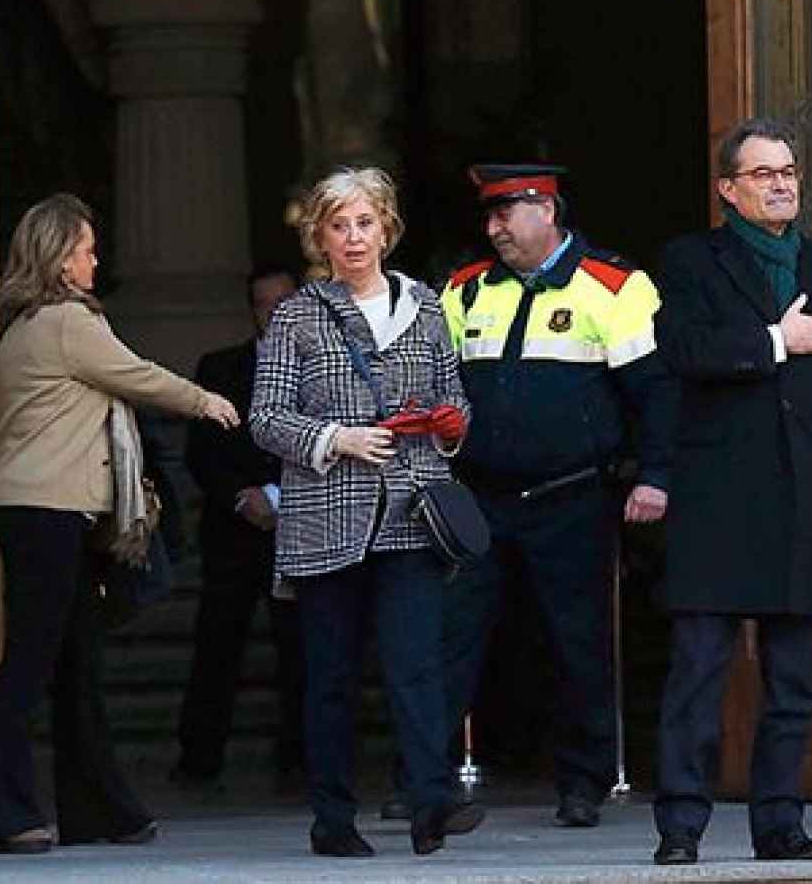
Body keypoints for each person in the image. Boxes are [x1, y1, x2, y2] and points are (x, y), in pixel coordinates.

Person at [0, 193, 240, 854]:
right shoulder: (66, 320)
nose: (94, 260)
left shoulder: (24, 321)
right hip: (45, 510)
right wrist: (208, 402)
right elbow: (136, 375)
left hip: (40, 508)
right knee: (32, 663)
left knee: (75, 662)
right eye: (85, 248)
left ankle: (99, 809)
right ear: (59, 258)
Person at [650, 118, 812, 866]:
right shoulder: (688, 262)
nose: (782, 183)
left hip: (804, 492)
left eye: (788, 171)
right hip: (717, 495)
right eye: (763, 174)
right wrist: (775, 342)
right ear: (728, 189)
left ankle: (780, 824)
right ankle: (681, 825)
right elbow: (682, 351)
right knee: (698, 673)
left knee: (793, 681)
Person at [250, 166, 483, 858]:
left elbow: (457, 397)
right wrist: (336, 439)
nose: (354, 237)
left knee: (417, 664)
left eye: (365, 222)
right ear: (319, 237)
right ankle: (333, 818)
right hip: (328, 522)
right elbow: (265, 417)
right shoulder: (297, 315)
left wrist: (449, 424)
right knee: (331, 678)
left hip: (412, 513)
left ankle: (430, 801)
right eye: (338, 225)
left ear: (387, 227)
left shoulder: (427, 307)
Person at [438, 163, 677, 828]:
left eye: (505, 213)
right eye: (489, 215)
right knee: (452, 636)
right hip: (479, 495)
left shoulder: (614, 285)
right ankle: (427, 778)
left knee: (579, 642)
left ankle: (584, 781)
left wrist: (656, 475)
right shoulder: (463, 289)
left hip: (572, 497)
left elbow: (654, 393)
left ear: (546, 210)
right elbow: (433, 386)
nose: (493, 228)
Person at [171, 262, 306, 791]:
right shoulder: (220, 368)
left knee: (302, 650)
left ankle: (301, 758)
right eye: (264, 304)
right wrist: (239, 498)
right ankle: (198, 759)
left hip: (301, 531)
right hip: (235, 534)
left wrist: (284, 496)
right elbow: (203, 453)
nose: (274, 313)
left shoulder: (326, 368)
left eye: (283, 302)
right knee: (217, 647)